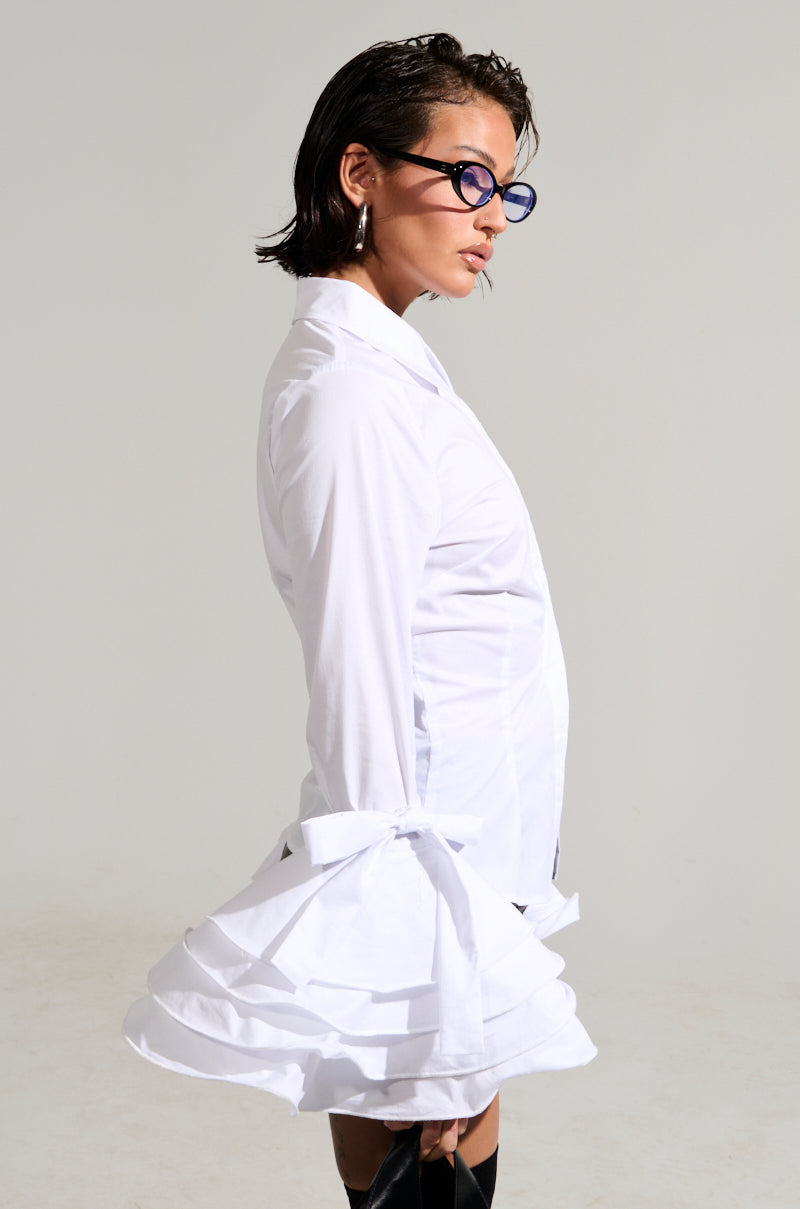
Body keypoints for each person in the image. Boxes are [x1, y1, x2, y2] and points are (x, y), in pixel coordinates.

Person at [124, 33, 596, 1208]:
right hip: (422, 841)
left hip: (465, 837)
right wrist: (409, 940)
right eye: (465, 178)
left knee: (440, 1154)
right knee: (425, 1155)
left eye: (507, 190)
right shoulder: (349, 390)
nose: (491, 217)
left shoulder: (386, 374)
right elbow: (358, 660)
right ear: (358, 177)